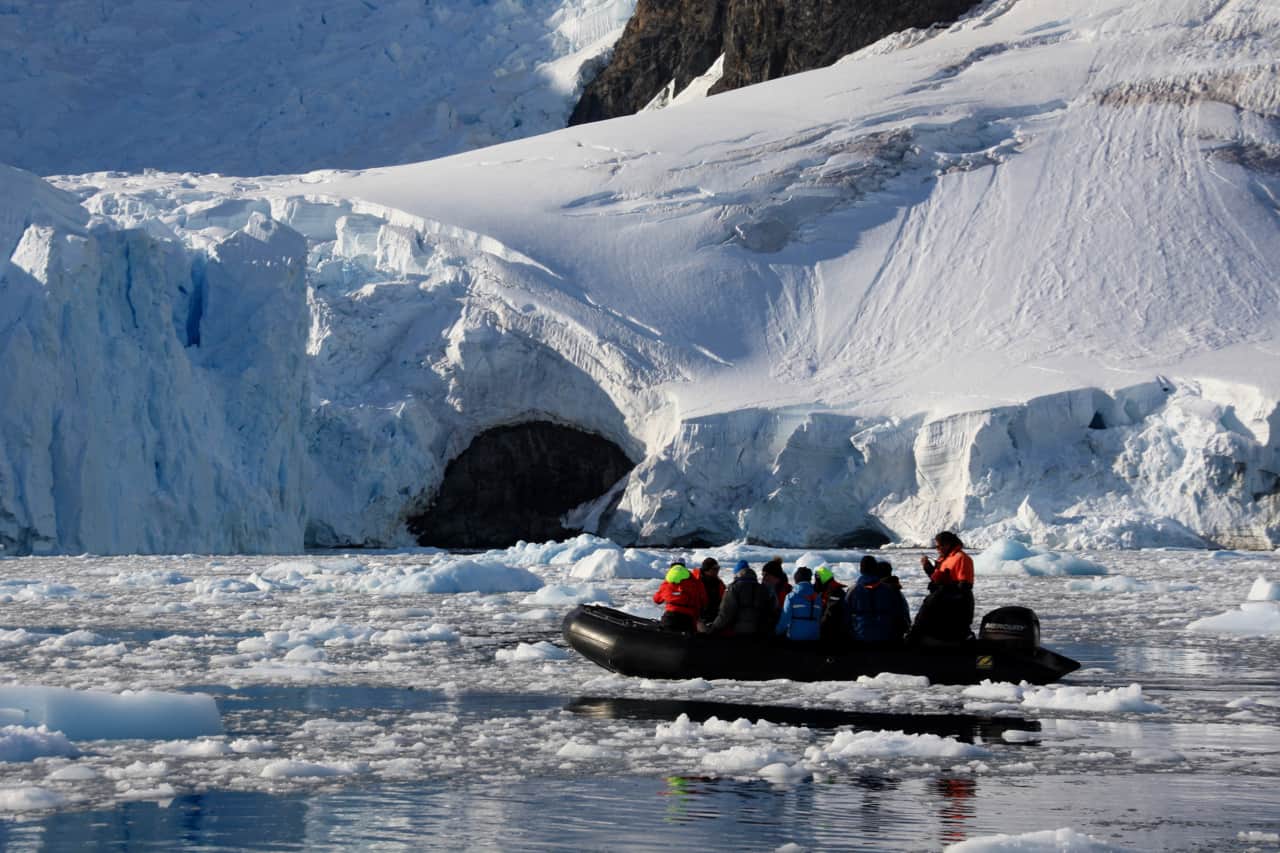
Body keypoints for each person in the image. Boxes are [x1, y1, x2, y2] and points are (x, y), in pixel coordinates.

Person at [909, 531, 976, 643]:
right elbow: (939, 580)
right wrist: (928, 568)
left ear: (948, 544)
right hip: (940, 601)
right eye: (936, 546)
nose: (937, 548)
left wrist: (946, 585)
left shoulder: (961, 558)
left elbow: (965, 586)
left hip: (954, 608)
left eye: (939, 545)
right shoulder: (944, 559)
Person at [850, 559, 911, 643]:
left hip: (862, 637)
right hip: (891, 638)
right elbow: (904, 616)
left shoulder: (856, 590)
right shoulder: (895, 591)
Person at [707, 565, 777, 637]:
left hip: (737, 632)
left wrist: (713, 628)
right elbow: (771, 609)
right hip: (759, 632)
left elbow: (726, 613)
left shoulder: (733, 588)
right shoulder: (763, 589)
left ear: (737, 575)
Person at [653, 559, 707, 633]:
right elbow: (703, 600)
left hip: (670, 617)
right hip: (688, 619)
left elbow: (657, 599)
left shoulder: (668, 582)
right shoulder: (694, 581)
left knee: (665, 637)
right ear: (684, 567)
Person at [775, 566, 821, 642]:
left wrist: (776, 632)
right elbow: (819, 617)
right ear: (809, 579)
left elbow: (785, 619)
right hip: (814, 637)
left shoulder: (791, 596)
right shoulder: (817, 597)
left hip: (795, 637)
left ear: (796, 579)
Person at [813, 566, 849, 644]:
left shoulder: (835, 592)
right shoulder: (829, 589)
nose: (816, 584)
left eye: (817, 581)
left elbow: (831, 615)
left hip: (834, 634)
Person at [693, 557, 726, 624]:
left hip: (716, 618)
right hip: (699, 619)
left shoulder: (719, 583)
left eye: (718, 568)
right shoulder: (695, 582)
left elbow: (725, 600)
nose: (717, 571)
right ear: (706, 570)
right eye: (714, 569)